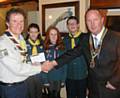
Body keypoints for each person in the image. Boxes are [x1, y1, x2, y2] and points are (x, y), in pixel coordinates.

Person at [42, 9, 120, 98]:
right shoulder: (86, 39)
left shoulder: (116, 38)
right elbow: (72, 53)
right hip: (93, 88)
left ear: (102, 20)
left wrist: (115, 81)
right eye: (89, 21)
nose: (92, 23)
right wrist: (53, 63)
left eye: (95, 19)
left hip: (110, 87)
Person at [0, 8, 46, 98]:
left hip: (23, 84)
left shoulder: (21, 39)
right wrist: (40, 67)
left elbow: (23, 60)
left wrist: (33, 64)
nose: (19, 25)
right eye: (15, 21)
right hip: (11, 89)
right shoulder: (2, 43)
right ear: (7, 23)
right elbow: (17, 68)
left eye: (21, 21)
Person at [63, 16, 87, 98]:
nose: (72, 25)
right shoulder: (64, 40)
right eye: (70, 24)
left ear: (78, 25)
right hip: (69, 75)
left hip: (82, 75)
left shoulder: (86, 37)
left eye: (74, 23)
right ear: (67, 26)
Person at [43, 26, 67, 98]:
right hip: (49, 77)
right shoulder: (44, 48)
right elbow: (43, 66)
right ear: (48, 36)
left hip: (59, 78)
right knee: (50, 96)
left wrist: (63, 79)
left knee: (57, 95)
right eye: (51, 34)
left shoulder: (62, 48)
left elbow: (65, 65)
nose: (53, 36)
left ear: (58, 36)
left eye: (55, 34)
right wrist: (45, 80)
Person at [25, 23, 44, 98]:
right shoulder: (24, 44)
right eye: (31, 32)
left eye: (35, 32)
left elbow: (45, 58)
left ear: (38, 33)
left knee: (39, 94)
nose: (33, 34)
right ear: (28, 32)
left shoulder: (42, 44)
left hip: (39, 73)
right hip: (29, 74)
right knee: (30, 94)